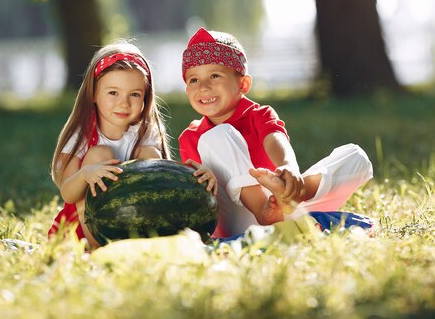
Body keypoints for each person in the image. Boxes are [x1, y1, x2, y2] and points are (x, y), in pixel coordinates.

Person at [179, 27, 374, 238]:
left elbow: (275, 139)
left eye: (214, 76)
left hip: (283, 210)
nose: (204, 87)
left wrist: (289, 168)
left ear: (243, 84)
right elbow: (194, 195)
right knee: (217, 135)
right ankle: (265, 210)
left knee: (356, 156)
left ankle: (292, 193)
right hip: (239, 221)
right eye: (194, 80)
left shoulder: (258, 114)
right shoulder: (191, 137)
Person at [48, 41, 217, 249]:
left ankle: (149, 240)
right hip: (83, 229)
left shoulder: (144, 134)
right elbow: (67, 193)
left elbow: (165, 185)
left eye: (134, 94)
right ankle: (97, 251)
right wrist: (86, 174)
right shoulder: (83, 134)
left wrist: (196, 178)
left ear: (145, 98)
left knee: (149, 153)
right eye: (113, 93)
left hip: (133, 221)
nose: (124, 103)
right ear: (93, 93)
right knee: (99, 155)